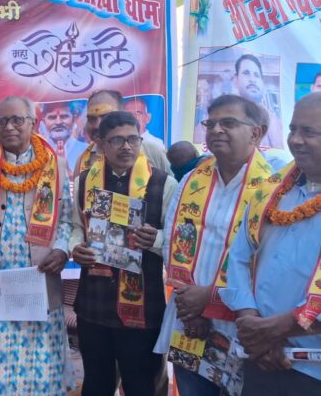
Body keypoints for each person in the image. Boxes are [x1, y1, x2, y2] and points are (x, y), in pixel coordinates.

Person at [0, 96, 76, 395]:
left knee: (39, 374)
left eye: (17, 120)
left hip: (37, 286)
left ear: (33, 123)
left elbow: (67, 220)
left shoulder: (55, 166)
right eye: (3, 121)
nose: (9, 127)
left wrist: (61, 250)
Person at [154, 95, 274, 395]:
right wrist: (191, 308)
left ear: (256, 133)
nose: (216, 130)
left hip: (240, 324)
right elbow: (173, 242)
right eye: (211, 123)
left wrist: (210, 298)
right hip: (189, 320)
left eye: (228, 123)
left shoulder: (272, 188)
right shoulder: (191, 180)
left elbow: (268, 261)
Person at [71, 111, 177, 396]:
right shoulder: (84, 182)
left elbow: (177, 239)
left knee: (142, 383)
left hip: (143, 304)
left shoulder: (163, 184)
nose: (126, 147)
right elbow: (76, 226)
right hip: (94, 302)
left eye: (133, 139)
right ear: (101, 144)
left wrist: (157, 239)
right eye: (117, 140)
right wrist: (75, 247)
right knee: (96, 383)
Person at [221, 92, 321, 394]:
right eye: (292, 129)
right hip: (259, 357)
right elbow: (238, 258)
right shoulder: (270, 192)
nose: (296, 140)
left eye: (309, 132)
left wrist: (275, 330)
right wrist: (252, 324)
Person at [74, 90, 170, 177]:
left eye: (105, 116)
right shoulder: (82, 161)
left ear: (123, 115)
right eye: (91, 119)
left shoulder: (153, 152)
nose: (97, 125)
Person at [232, 54, 282, 147]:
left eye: (257, 75)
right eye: (246, 73)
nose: (252, 80)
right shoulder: (224, 117)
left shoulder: (272, 120)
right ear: (235, 80)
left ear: (262, 83)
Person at [41, 100, 88, 168]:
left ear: (73, 120)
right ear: (44, 122)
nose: (58, 122)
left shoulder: (86, 150)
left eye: (64, 116)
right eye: (52, 117)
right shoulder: (35, 151)